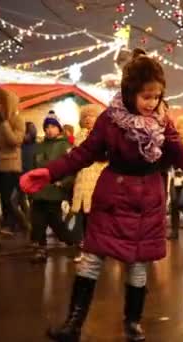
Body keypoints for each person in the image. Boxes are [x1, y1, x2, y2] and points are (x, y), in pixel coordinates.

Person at [20, 48, 183, 342]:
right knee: (91, 260)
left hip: (147, 201)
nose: (152, 103)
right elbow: (82, 154)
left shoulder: (164, 123)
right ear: (130, 92)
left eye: (157, 96)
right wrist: (49, 172)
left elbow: (180, 154)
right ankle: (73, 325)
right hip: (113, 197)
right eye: (146, 96)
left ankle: (133, 324)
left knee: (137, 266)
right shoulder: (110, 120)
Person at [30, 113, 75, 263]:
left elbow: (72, 168)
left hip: (55, 191)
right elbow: (33, 167)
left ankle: (72, 242)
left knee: (56, 223)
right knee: (37, 221)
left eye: (53, 126)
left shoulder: (65, 146)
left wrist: (64, 183)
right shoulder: (40, 146)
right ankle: (40, 250)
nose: (49, 129)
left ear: (59, 128)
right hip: (38, 191)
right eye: (47, 127)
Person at [0, 88, 25, 249]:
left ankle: (27, 225)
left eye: (0, 102)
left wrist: (4, 123)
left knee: (9, 202)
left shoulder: (17, 119)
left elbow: (15, 141)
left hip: (10, 166)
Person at [70, 104, 106, 262]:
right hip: (82, 183)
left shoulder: (103, 135)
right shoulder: (79, 136)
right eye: (85, 117)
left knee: (96, 217)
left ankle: (99, 248)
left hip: (98, 182)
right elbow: (78, 154)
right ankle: (85, 248)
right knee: (83, 217)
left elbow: (104, 155)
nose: (88, 119)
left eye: (91, 116)